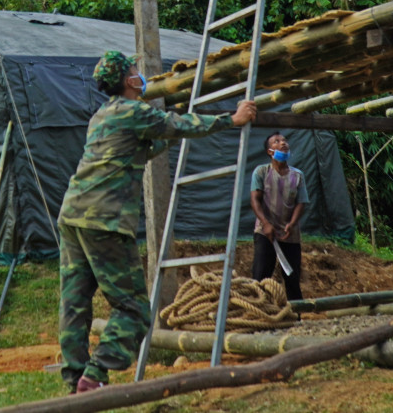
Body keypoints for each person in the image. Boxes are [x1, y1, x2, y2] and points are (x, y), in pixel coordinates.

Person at [56, 50, 257, 394]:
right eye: (135, 69)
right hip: (105, 219)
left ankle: (76, 379)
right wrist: (232, 120)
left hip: (73, 215)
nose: (140, 73)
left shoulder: (101, 116)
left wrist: (161, 137)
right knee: (133, 308)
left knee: (75, 302)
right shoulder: (134, 111)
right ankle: (95, 374)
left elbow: (142, 148)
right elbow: (176, 124)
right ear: (129, 80)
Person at [249, 132, 308, 300]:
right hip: (265, 232)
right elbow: (255, 200)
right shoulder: (261, 172)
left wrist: (292, 223)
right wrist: (266, 224)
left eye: (284, 140)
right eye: (277, 141)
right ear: (269, 151)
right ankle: (259, 312)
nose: (283, 143)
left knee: (292, 278)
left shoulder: (297, 175)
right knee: (260, 275)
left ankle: (296, 315)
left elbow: (301, 202)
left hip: (290, 233)